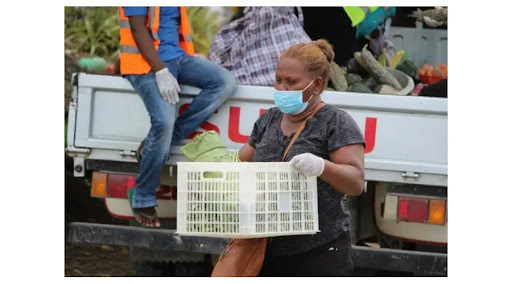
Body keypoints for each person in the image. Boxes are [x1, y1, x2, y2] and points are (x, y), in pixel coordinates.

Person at [238, 39, 366, 276]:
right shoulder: (269, 120)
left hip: (318, 252)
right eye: (278, 80)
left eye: (291, 82)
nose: (282, 88)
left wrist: (321, 166)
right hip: (266, 248)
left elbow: (356, 181)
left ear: (316, 85)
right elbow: (242, 162)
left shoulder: (335, 122)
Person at [119, 7, 237, 227]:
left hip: (178, 59)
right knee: (163, 122)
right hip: (144, 64)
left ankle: (160, 143)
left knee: (224, 82)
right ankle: (143, 195)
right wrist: (160, 70)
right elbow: (137, 28)